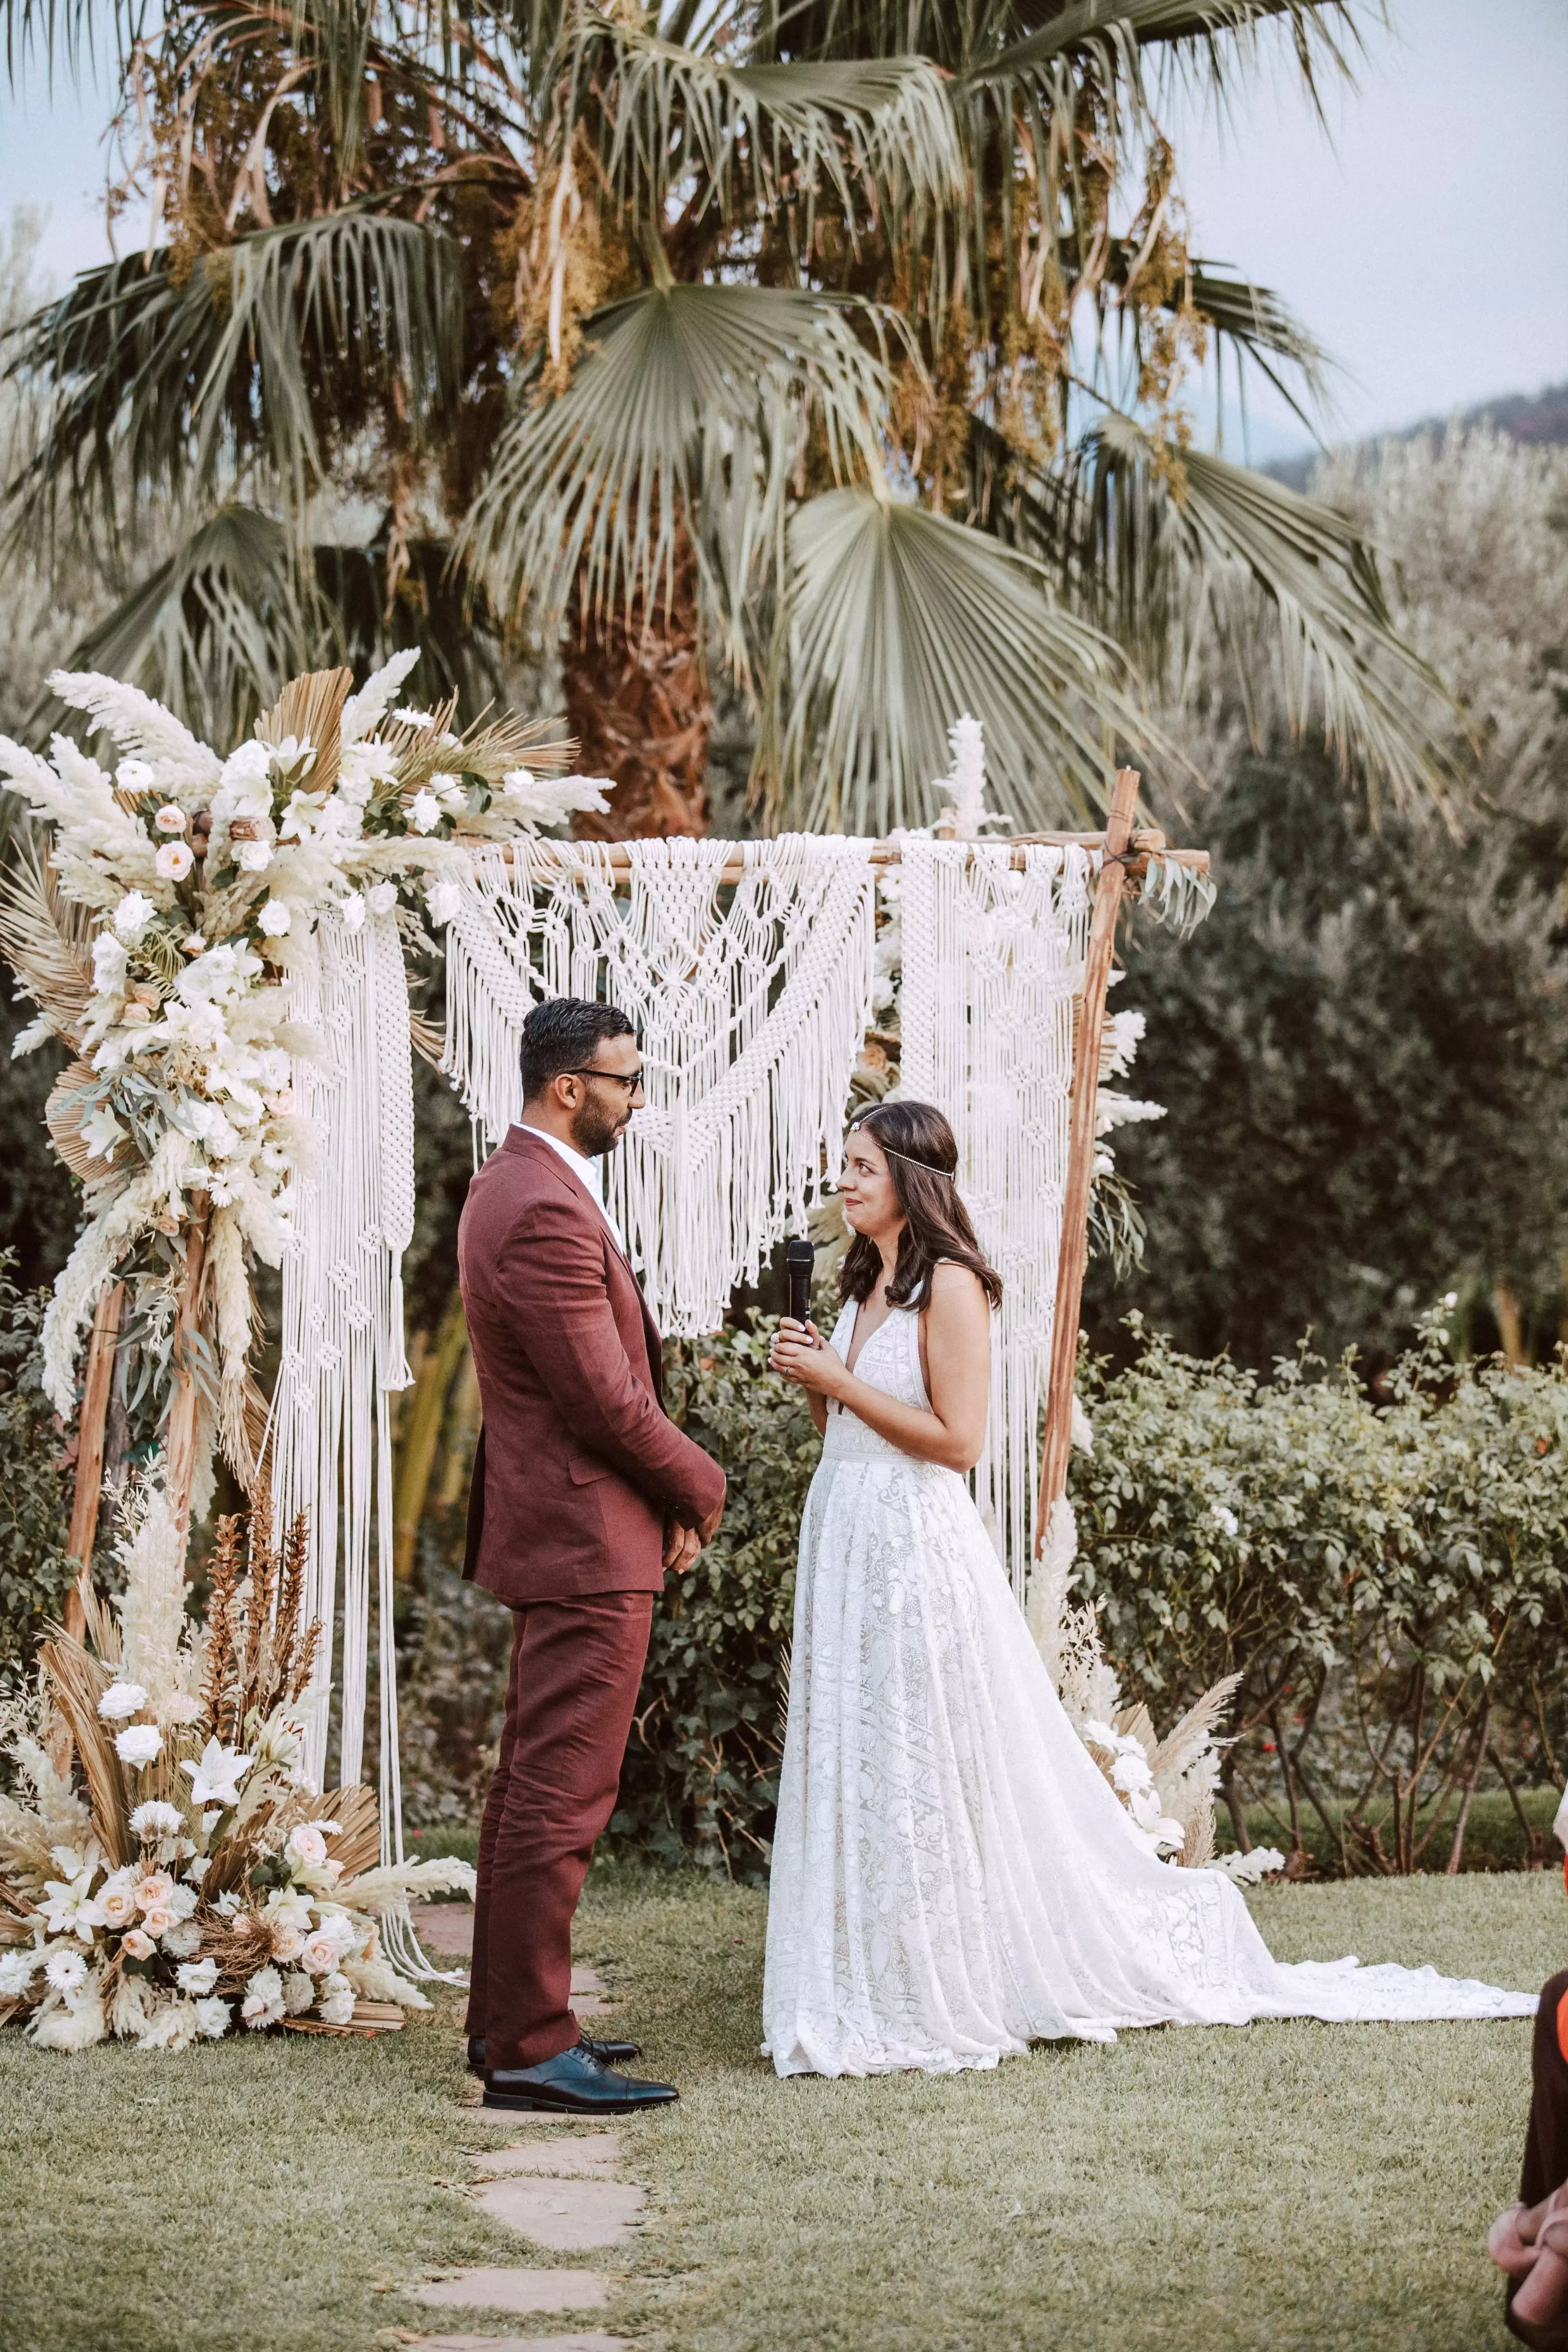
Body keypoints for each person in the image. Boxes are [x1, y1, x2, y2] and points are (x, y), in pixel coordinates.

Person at [762, 1097, 1535, 2079]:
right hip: (849, 1534)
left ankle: (943, 1974)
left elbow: (957, 1443)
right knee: (869, 1743)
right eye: (844, 1164)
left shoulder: (951, 1285)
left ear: (912, 1179)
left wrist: (839, 1380)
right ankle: (870, 1964)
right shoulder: (863, 1283)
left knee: (928, 1750)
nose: (844, 1181)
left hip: (915, 1546)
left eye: (861, 1166)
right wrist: (819, 1383)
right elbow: (855, 1430)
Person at [458, 996, 726, 2114]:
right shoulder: (539, 1208)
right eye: (627, 1080)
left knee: (540, 1784)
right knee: (559, 1794)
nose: (638, 1097)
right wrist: (703, 1483)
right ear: (571, 1087)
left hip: (573, 1530)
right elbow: (606, 1402)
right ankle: (526, 2047)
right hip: (583, 1537)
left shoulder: (516, 1186)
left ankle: (523, 2023)